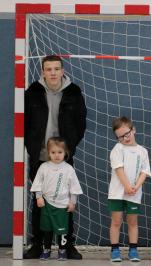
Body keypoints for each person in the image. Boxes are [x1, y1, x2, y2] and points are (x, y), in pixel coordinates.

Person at [24, 55, 87, 259]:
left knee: (65, 202)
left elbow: (80, 122)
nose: (52, 73)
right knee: (39, 202)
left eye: (56, 69)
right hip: (40, 157)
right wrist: (32, 147)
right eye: (48, 69)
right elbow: (25, 122)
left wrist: (68, 148)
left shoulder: (73, 92)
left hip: (63, 158)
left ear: (62, 71)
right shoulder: (33, 92)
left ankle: (67, 246)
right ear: (43, 71)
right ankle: (37, 245)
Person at [30, 137, 83, 261]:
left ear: (65, 153)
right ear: (48, 153)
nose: (57, 155)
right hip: (47, 203)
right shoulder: (43, 167)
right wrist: (39, 197)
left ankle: (62, 250)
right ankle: (46, 249)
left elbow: (74, 187)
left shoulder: (69, 169)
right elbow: (37, 184)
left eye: (60, 152)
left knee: (62, 229)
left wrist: (72, 202)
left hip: (63, 205)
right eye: (53, 152)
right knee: (47, 228)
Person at [108, 116, 151, 262]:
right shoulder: (118, 148)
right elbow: (118, 169)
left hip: (134, 193)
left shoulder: (143, 151)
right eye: (120, 137)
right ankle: (115, 250)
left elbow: (144, 172)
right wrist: (126, 186)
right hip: (117, 193)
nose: (125, 138)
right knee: (116, 222)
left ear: (133, 130)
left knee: (132, 222)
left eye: (127, 134)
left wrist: (136, 187)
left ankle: (133, 250)